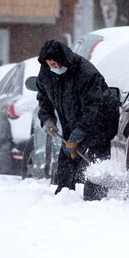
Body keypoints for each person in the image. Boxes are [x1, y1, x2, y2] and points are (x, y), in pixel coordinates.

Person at [36, 39, 116, 200]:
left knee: (96, 161)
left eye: (57, 63)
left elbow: (95, 106)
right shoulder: (46, 73)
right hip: (72, 121)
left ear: (64, 59)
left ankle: (96, 201)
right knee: (67, 155)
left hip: (102, 121)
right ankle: (65, 196)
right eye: (51, 64)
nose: (55, 67)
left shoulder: (85, 73)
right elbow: (43, 99)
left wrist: (79, 133)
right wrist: (48, 120)